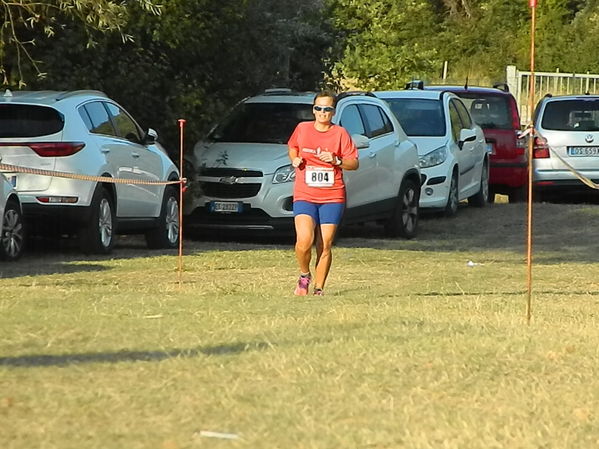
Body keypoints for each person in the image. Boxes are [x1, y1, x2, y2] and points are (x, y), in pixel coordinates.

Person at [287, 91, 359, 296]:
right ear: (313, 110)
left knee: (324, 244)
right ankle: (304, 275)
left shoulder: (340, 134)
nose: (322, 112)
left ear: (333, 112)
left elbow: (354, 163)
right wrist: (295, 159)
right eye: (319, 108)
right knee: (304, 241)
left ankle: (319, 288)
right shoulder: (302, 129)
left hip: (332, 196)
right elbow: (292, 147)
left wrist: (336, 160)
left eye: (327, 109)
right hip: (305, 194)